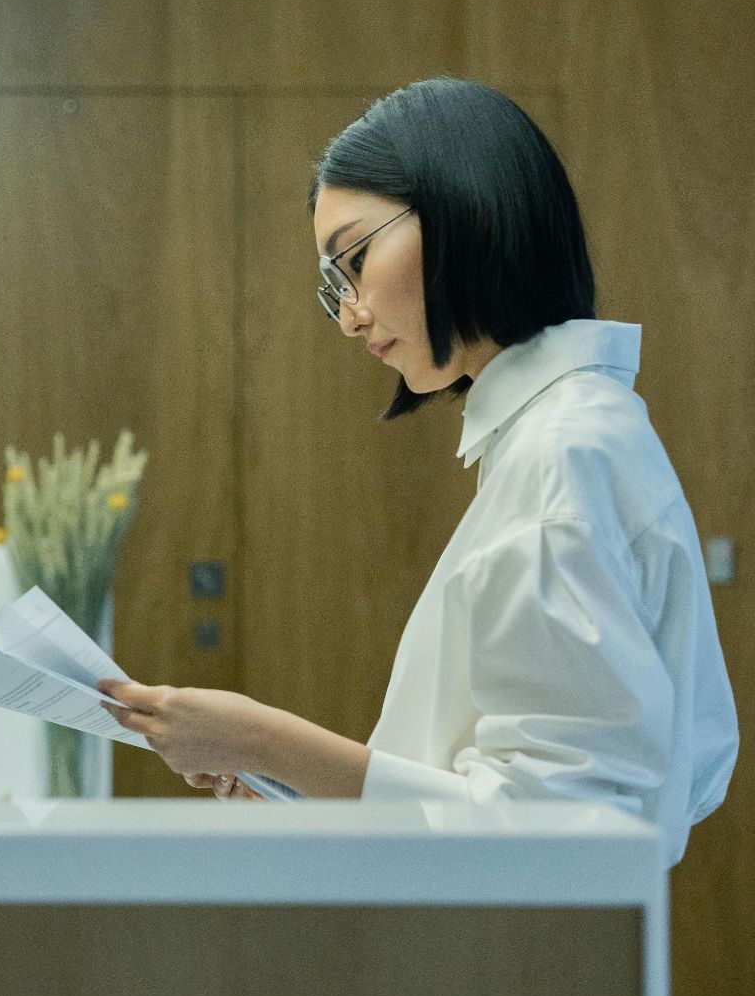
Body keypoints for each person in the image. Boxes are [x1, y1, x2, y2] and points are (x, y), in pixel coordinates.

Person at [98, 77, 737, 868]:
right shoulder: (569, 437)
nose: (352, 313)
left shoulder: (561, 455)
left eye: (359, 258)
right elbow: (662, 775)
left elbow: (563, 836)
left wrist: (266, 740)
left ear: (469, 210)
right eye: (335, 285)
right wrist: (301, 785)